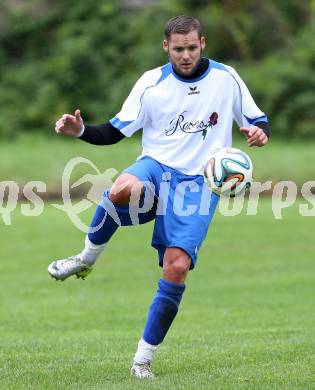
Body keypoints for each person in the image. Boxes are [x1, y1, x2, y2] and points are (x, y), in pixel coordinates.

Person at [48, 15, 269, 379]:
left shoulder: (225, 78)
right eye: (178, 49)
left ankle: (143, 359)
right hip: (156, 166)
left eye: (192, 48)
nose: (185, 55)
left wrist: (259, 134)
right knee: (121, 188)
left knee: (177, 266)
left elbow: (258, 120)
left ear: (203, 44)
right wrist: (81, 131)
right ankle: (85, 258)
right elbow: (114, 133)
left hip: (199, 184)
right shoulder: (152, 83)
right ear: (166, 47)